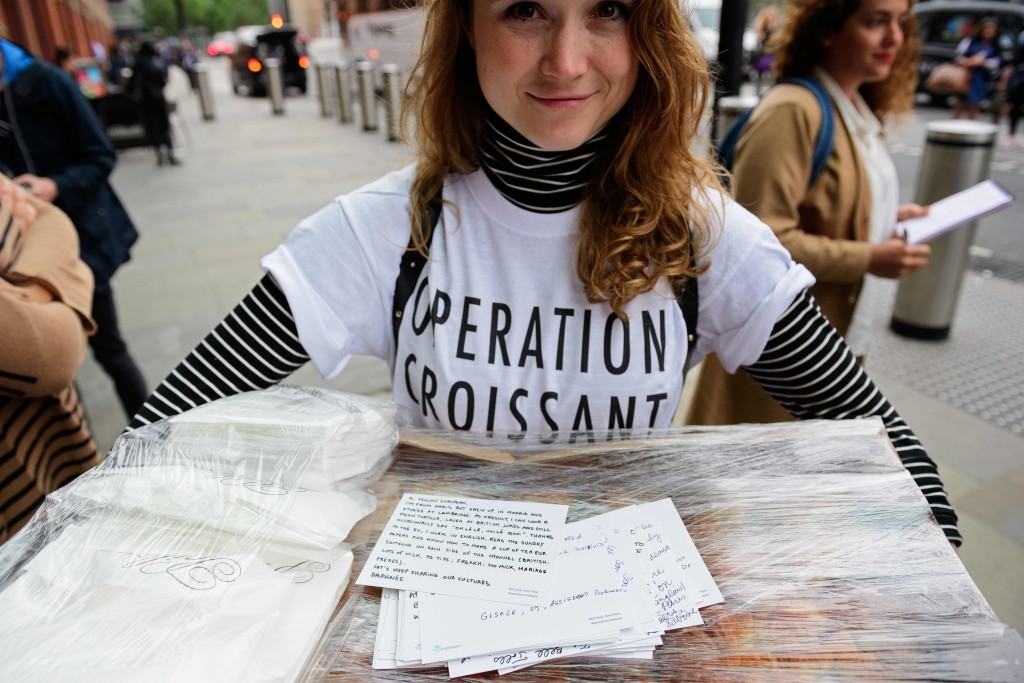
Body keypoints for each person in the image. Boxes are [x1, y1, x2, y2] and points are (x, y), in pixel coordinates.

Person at [128, 0, 960, 544]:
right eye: (525, 10)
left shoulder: (707, 241)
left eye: (608, 11)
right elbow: (157, 437)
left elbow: (899, 465)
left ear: (650, 36)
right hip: (434, 641)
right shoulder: (383, 231)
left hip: (624, 638)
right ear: (466, 31)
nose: (566, 60)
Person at [688, 0, 933, 429]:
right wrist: (870, 257)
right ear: (828, 29)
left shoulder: (854, 109)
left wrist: (883, 218)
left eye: (901, 23)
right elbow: (761, 241)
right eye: (876, 22)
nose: (895, 38)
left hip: (837, 339)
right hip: (779, 361)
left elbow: (831, 202)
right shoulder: (795, 111)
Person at [0, 37, 149, 420]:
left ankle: (154, 436)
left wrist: (54, 185)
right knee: (53, 372)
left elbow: (100, 155)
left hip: (80, 245)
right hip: (22, 257)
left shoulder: (47, 81)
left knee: (111, 350)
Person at [0, 176, 99, 542]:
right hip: (17, 523)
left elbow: (50, 219)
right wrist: (56, 285)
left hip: (57, 460)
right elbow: (51, 351)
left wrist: (23, 297)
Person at [128, 41, 178, 166]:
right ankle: (170, 153)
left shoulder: (137, 65)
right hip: (158, 99)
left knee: (151, 127)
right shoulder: (155, 63)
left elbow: (131, 85)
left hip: (145, 101)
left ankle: (159, 154)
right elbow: (162, 81)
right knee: (164, 126)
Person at [953, 18, 1002, 120]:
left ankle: (971, 126)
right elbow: (958, 56)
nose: (989, 33)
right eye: (987, 30)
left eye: (992, 31)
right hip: (965, 75)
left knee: (974, 104)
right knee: (959, 103)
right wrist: (970, 61)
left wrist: (983, 62)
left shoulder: (995, 46)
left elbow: (996, 62)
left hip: (980, 78)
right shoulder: (970, 41)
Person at [751, 5, 780, 91]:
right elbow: (758, 41)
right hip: (763, 54)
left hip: (772, 54)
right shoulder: (762, 29)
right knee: (759, 71)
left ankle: (772, 88)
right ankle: (758, 90)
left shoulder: (776, 30)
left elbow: (777, 43)